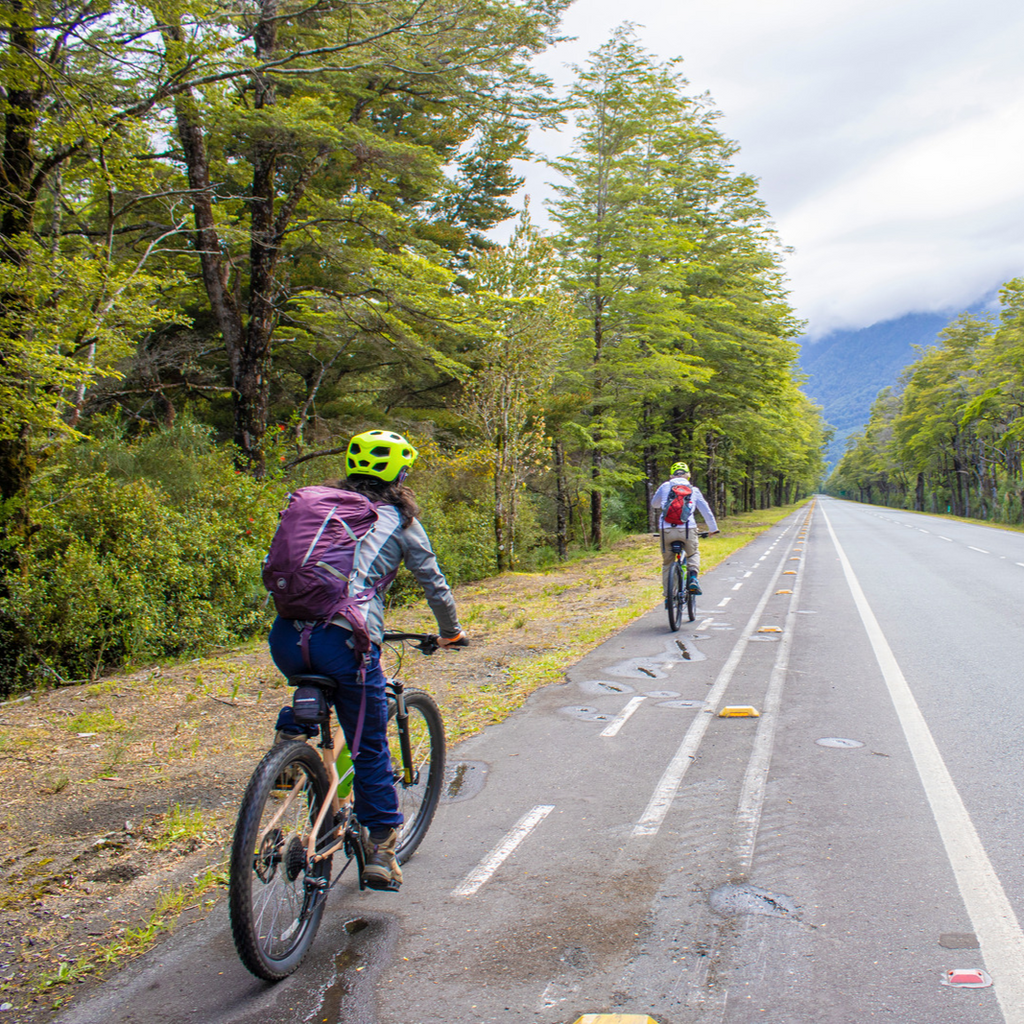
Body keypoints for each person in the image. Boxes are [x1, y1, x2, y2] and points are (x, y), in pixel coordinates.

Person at [268, 429, 465, 891]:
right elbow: (432, 581)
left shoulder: (319, 508)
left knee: (318, 695)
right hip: (348, 641)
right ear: (401, 472)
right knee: (369, 741)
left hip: (288, 636)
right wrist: (451, 631)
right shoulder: (398, 519)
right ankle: (380, 848)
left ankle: (290, 739)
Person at [651, 461, 720, 596]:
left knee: (667, 563)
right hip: (688, 529)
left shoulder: (665, 486)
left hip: (666, 529)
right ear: (687, 475)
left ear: (672, 476)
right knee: (693, 553)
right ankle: (693, 577)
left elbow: (654, 504)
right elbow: (706, 510)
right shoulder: (694, 490)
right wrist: (713, 528)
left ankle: (668, 596)